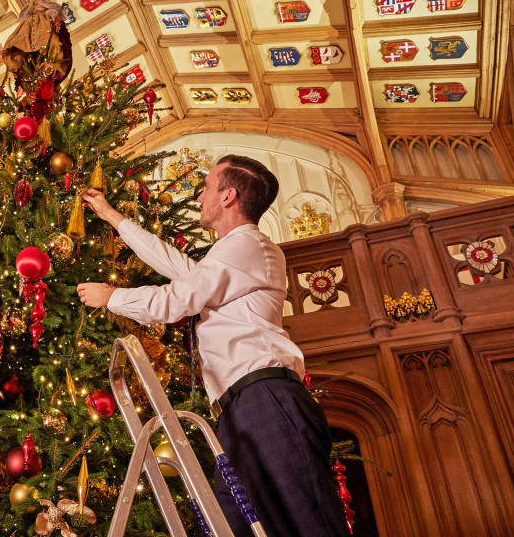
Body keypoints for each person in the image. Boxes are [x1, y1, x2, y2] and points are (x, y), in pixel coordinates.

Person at [77, 155, 349, 537]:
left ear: (228, 196)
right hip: (241, 408)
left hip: (266, 399)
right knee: (237, 525)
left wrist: (113, 297)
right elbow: (176, 265)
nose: (199, 196)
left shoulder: (248, 246)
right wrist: (112, 217)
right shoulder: (229, 257)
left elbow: (178, 299)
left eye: (206, 187)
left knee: (304, 521)